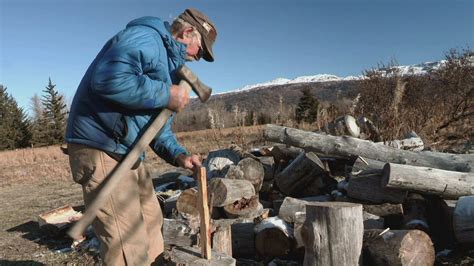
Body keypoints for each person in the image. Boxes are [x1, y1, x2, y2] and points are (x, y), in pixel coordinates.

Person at [65, 8, 217, 265]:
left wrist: (179, 155)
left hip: (126, 150)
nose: (197, 58)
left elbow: (154, 125)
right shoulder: (146, 38)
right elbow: (107, 79)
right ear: (188, 32)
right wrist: (165, 93)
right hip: (102, 145)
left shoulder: (168, 64)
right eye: (199, 51)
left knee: (150, 222)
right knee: (127, 244)